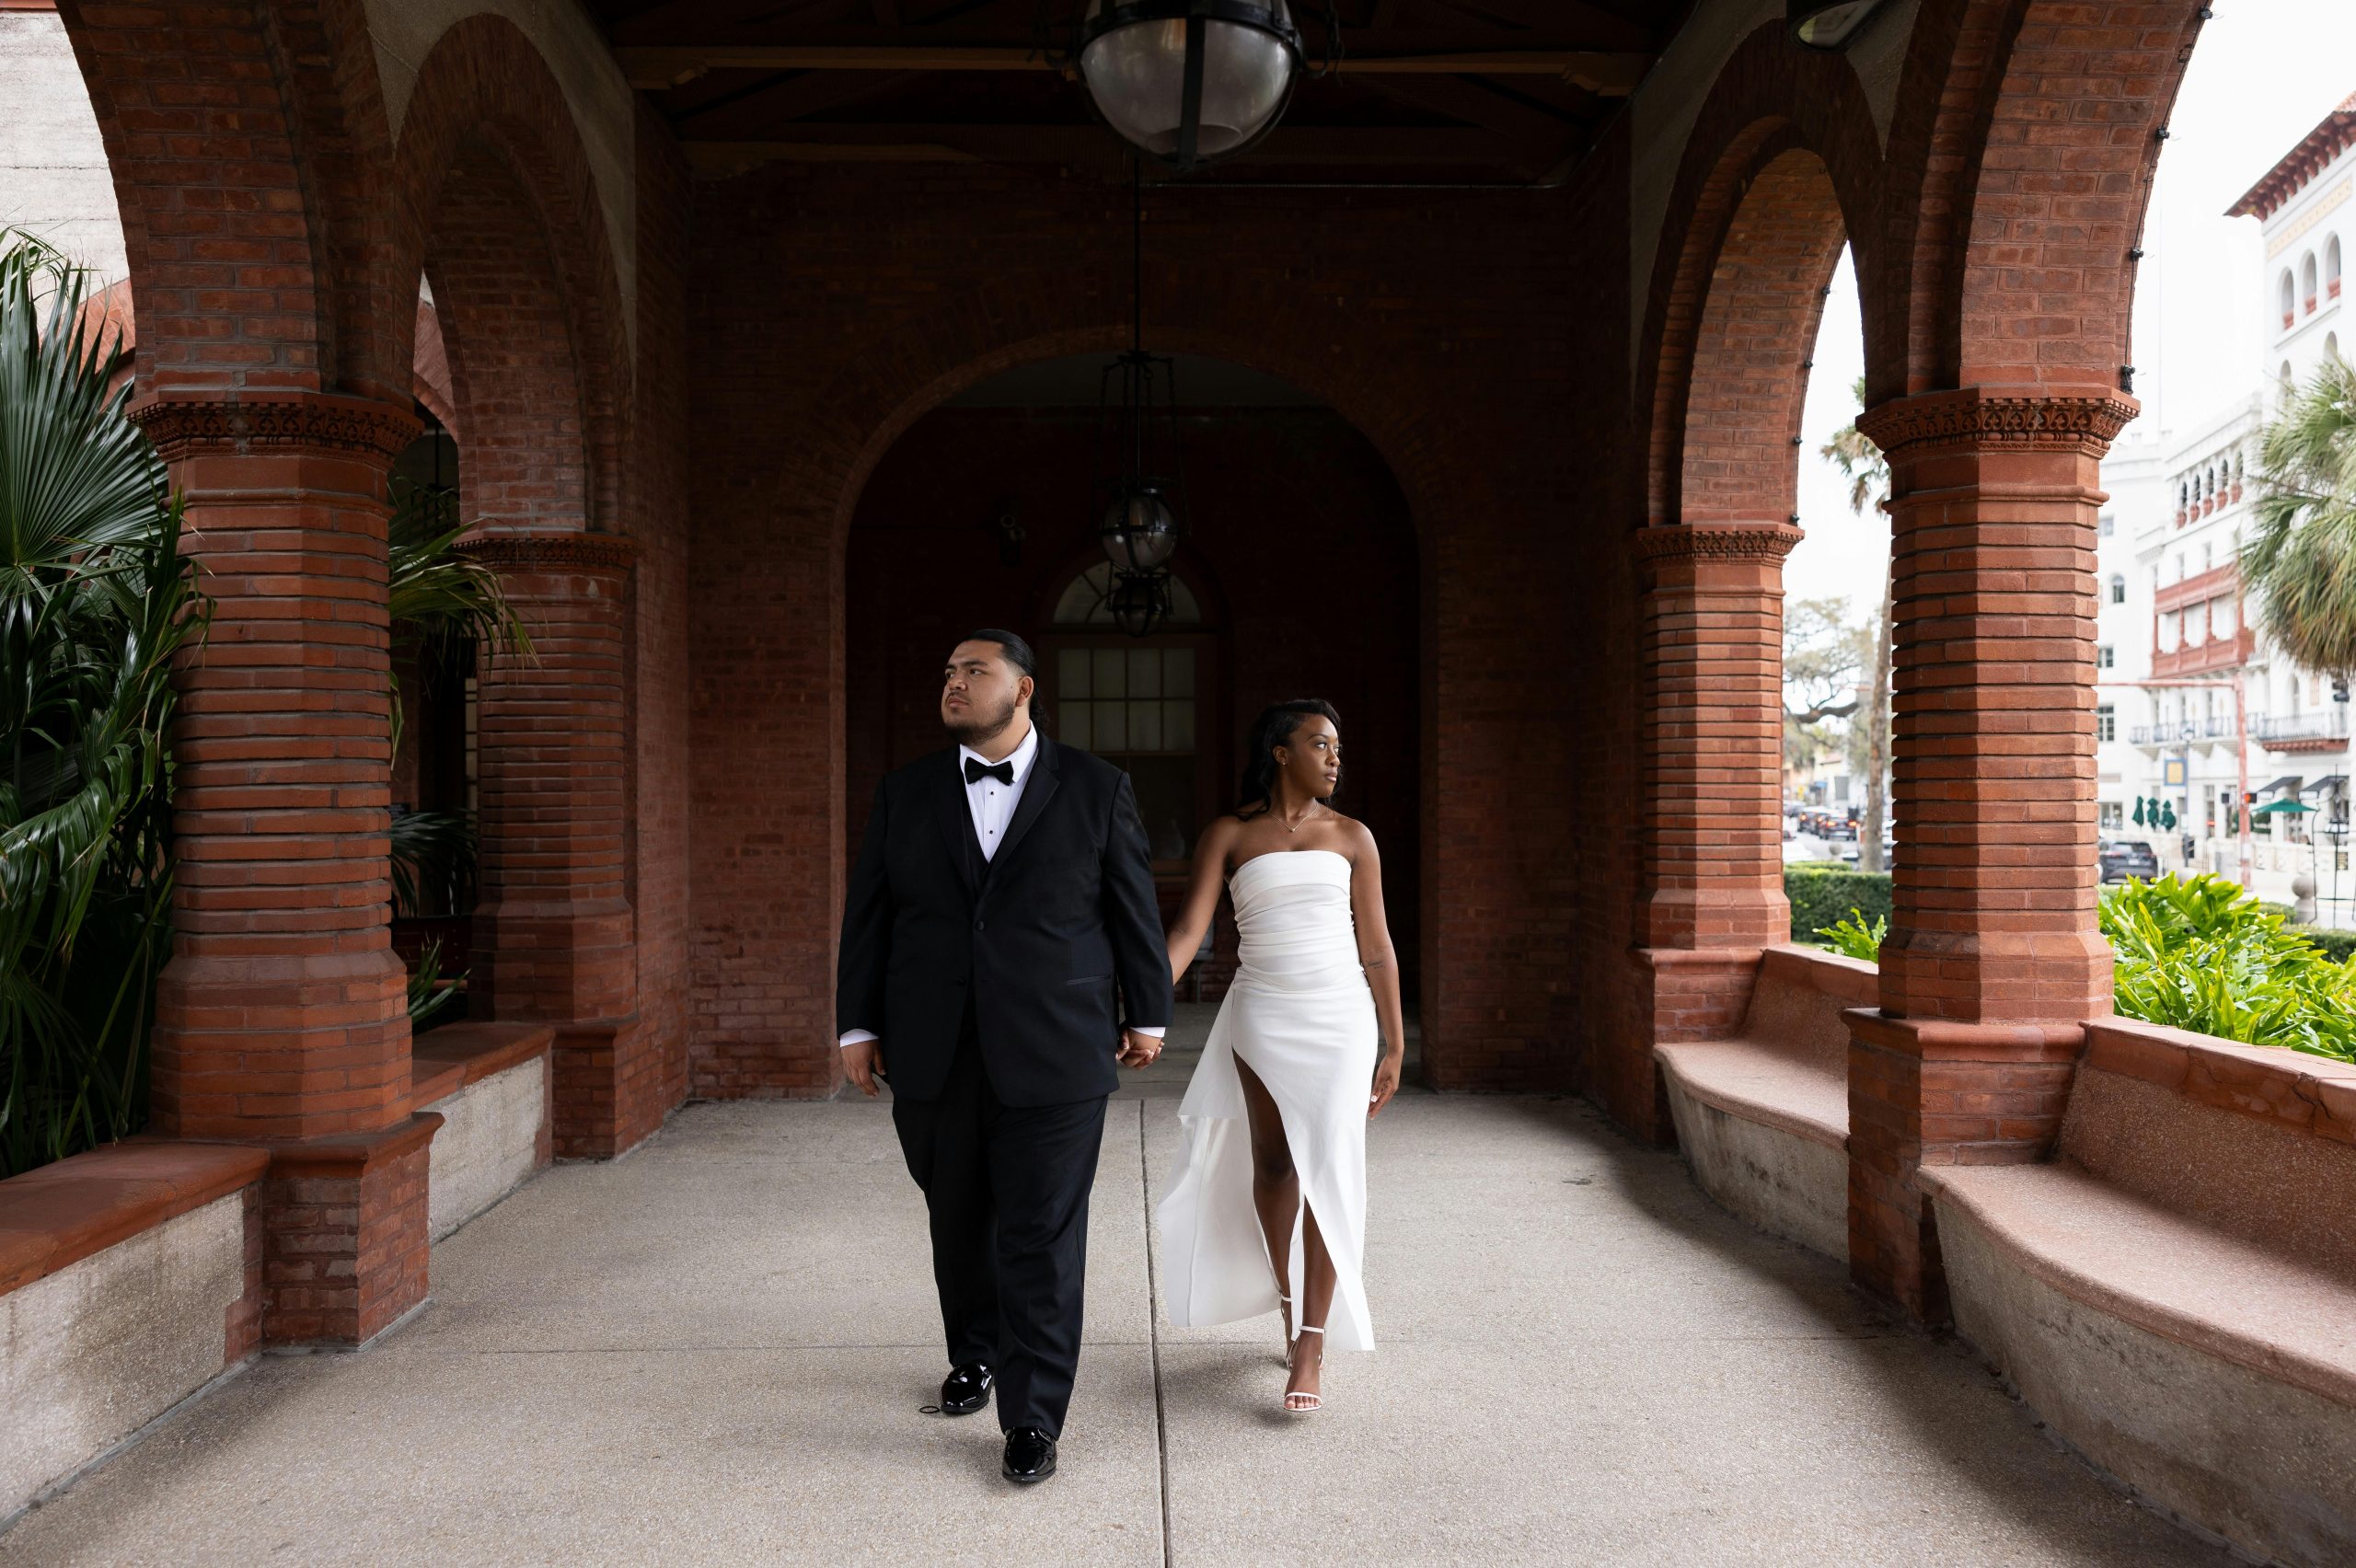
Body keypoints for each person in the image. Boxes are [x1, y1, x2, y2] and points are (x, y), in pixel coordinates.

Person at [836, 629, 1173, 1485]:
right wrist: (856, 1027)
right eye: (947, 670)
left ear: (1022, 688)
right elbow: (870, 918)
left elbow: (1130, 907)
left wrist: (1150, 1013)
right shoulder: (904, 793)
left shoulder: (1097, 789)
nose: (953, 683)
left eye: (973, 670)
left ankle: (1032, 1417)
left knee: (1040, 1234)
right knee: (957, 1219)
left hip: (1056, 1049)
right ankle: (974, 1354)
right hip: (932, 1050)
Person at [1154, 699, 1406, 1412]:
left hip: (1340, 1018)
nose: (1335, 758)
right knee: (1273, 1164)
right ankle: (1291, 1303)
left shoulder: (1354, 837)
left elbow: (1378, 947)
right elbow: (1188, 931)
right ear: (1279, 751)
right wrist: (1144, 1007)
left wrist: (1394, 1041)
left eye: (1338, 747)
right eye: (1320, 744)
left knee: (1329, 1167)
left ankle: (1313, 1345)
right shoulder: (1230, 835)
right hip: (1261, 1013)